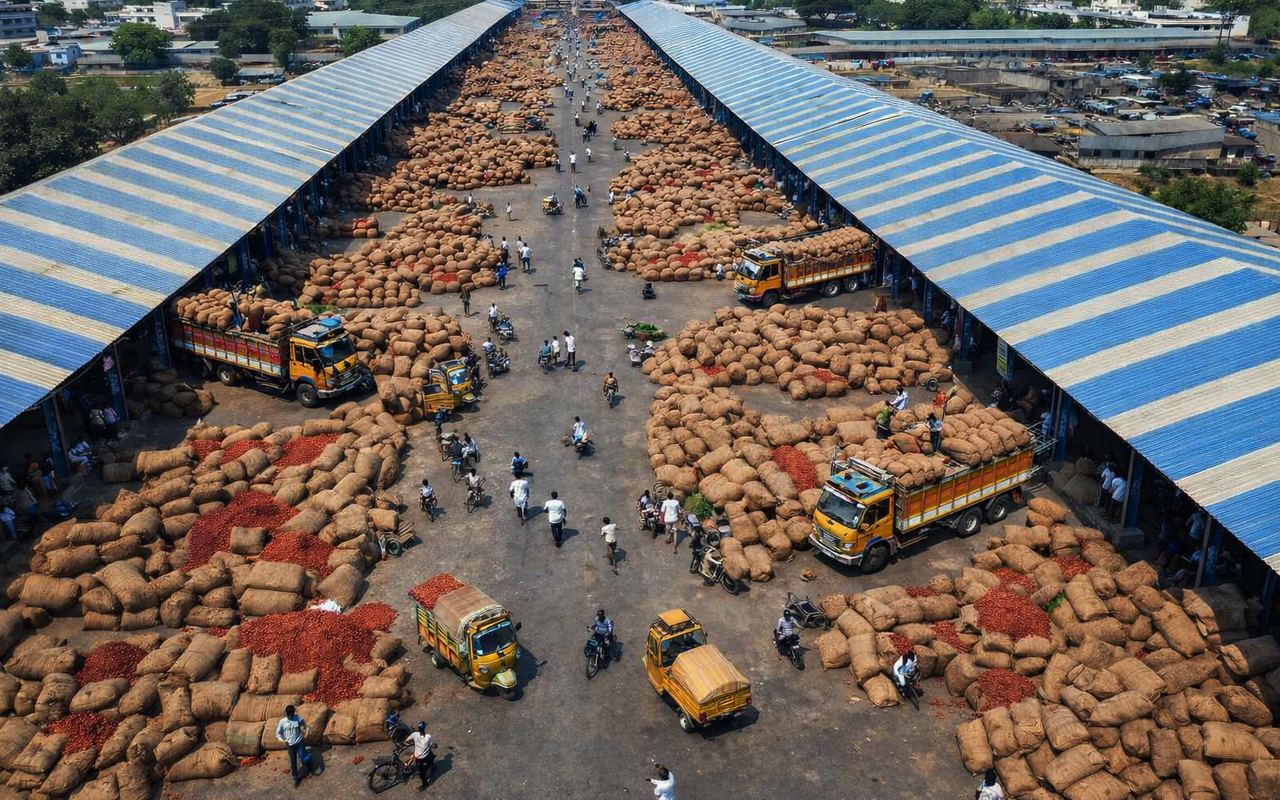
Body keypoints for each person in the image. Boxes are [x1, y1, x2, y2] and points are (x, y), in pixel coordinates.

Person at [274, 705, 309, 787]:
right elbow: (278, 734)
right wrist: (284, 740)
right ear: (286, 713)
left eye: (292, 714)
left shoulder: (298, 718)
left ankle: (307, 767)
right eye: (289, 714)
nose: (290, 716)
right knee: (293, 761)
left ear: (294, 713)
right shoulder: (282, 722)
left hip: (299, 742)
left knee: (303, 756)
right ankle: (295, 777)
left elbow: (305, 725)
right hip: (290, 745)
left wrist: (306, 732)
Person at [405, 721, 436, 790]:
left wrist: (414, 742)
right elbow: (431, 745)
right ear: (424, 728)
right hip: (424, 757)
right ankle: (425, 783)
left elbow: (406, 741)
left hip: (418, 756)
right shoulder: (428, 737)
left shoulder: (414, 734)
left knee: (422, 768)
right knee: (429, 757)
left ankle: (424, 779)